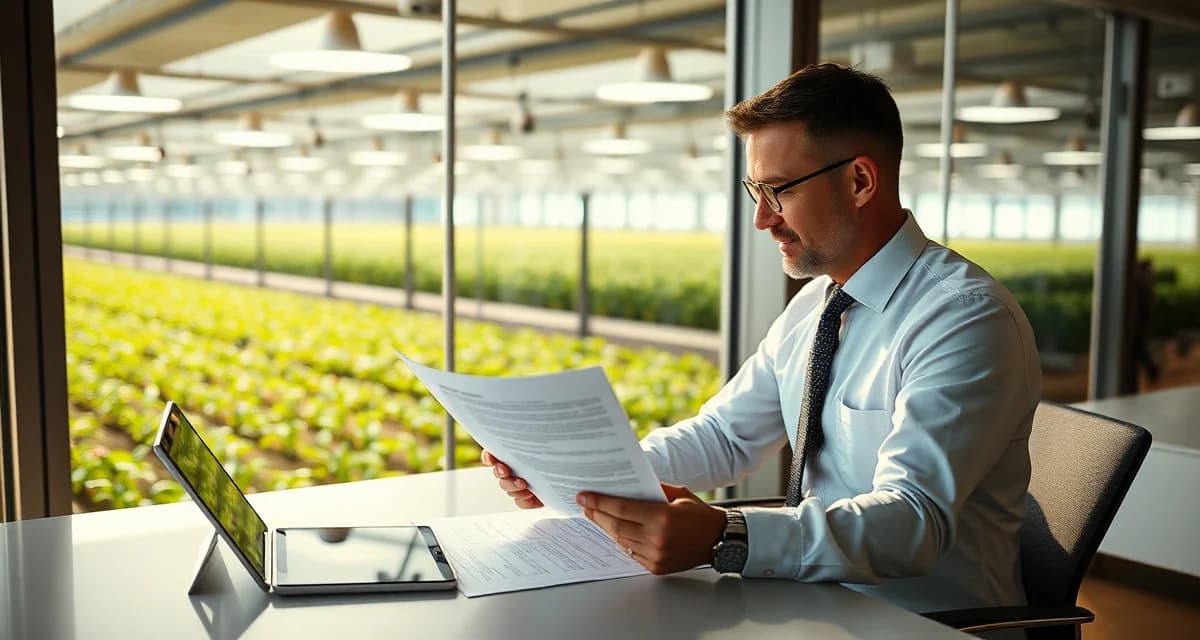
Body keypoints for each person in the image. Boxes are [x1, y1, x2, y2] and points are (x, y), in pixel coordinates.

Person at [484, 62, 1042, 616]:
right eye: (756, 191)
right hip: (814, 600)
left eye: (778, 192)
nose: (761, 220)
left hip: (929, 624)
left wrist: (725, 534)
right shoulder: (816, 305)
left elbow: (911, 522)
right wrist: (583, 477)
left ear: (860, 181)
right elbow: (725, 437)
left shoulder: (964, 319)